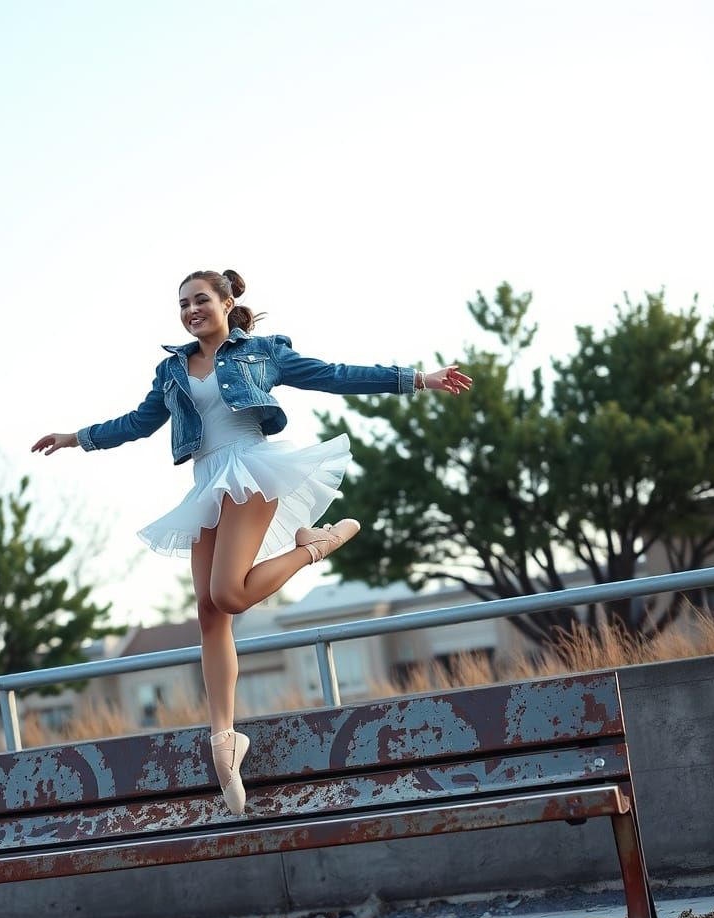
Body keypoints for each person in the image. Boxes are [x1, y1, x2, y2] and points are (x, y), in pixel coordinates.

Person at [32, 269, 471, 814]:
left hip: (251, 469)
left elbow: (333, 375)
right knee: (209, 613)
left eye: (201, 300)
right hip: (205, 480)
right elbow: (140, 422)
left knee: (229, 595)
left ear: (226, 301)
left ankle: (316, 545)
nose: (191, 310)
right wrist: (78, 438)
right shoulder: (172, 369)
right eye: (183, 304)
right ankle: (223, 735)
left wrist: (416, 379)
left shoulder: (262, 352)